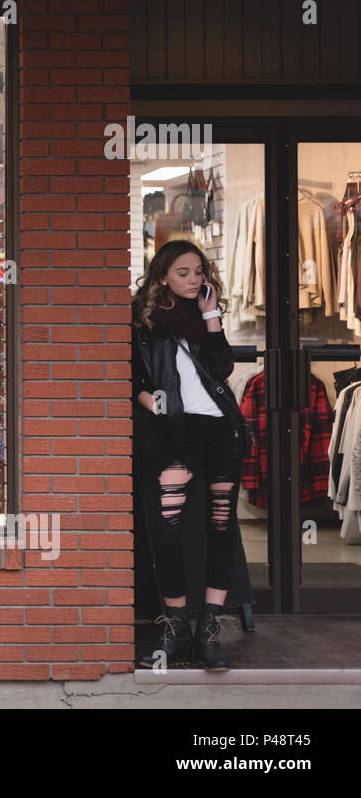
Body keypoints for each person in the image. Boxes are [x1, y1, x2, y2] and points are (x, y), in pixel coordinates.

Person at [131, 239, 252, 671]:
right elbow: (129, 375)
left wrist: (211, 315)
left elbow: (221, 368)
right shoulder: (143, 318)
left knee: (222, 525)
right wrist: (153, 404)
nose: (193, 279)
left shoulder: (205, 316)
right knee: (166, 531)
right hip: (173, 433)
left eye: (198, 271)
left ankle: (208, 629)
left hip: (218, 430)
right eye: (183, 272)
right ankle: (177, 627)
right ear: (162, 275)